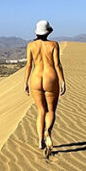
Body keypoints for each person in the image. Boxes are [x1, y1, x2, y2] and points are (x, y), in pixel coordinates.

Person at [23, 19, 66, 155]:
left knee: (41, 111)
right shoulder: (54, 45)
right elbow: (57, 64)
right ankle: (48, 131)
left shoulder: (30, 45)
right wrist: (62, 80)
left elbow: (29, 65)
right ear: (48, 32)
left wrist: (25, 82)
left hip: (35, 78)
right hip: (50, 78)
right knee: (51, 110)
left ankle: (40, 140)